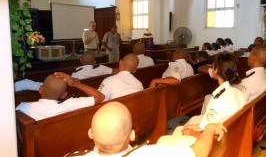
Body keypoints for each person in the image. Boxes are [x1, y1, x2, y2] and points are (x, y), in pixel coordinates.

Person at [64, 102, 227, 157]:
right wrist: (209, 130)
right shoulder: (151, 153)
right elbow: (199, 153)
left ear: (90, 134)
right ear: (133, 135)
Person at [172, 53, 245, 137]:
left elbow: (207, 128)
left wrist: (191, 130)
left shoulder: (217, 99)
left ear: (216, 70)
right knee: (193, 119)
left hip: (216, 136)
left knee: (178, 130)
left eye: (212, 67)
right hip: (229, 129)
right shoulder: (239, 92)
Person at [16, 74, 104, 121]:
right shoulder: (70, 104)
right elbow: (100, 97)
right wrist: (75, 83)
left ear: (40, 89)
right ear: (64, 95)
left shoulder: (23, 108)